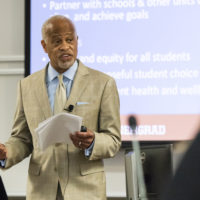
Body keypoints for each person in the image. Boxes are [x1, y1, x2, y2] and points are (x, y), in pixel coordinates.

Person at [0, 15, 121, 200]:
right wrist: (5, 152)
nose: (65, 46)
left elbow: (113, 140)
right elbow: (22, 139)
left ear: (77, 42)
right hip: (41, 191)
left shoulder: (103, 83)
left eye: (70, 40)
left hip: (86, 191)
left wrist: (93, 142)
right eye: (57, 41)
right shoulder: (26, 86)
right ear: (44, 46)